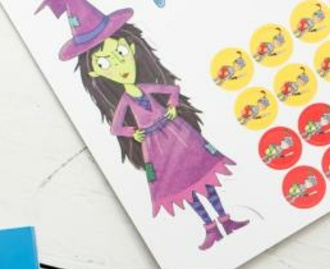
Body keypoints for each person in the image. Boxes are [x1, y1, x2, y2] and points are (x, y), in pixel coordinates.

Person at [38, 0, 246, 250]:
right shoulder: (124, 101)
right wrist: (133, 133)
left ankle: (225, 219)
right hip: (156, 149)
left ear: (131, 47)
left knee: (202, 177)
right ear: (94, 72)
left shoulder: (146, 87)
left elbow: (172, 90)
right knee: (185, 188)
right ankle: (210, 227)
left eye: (120, 53)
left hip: (179, 135)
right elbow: (115, 127)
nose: (119, 65)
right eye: (104, 63)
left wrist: (172, 107)